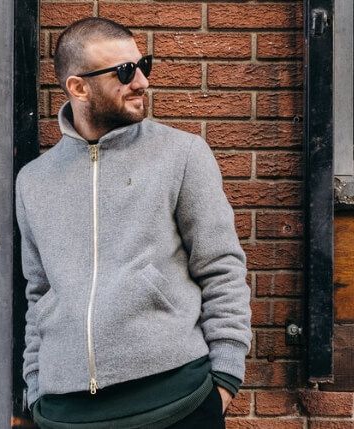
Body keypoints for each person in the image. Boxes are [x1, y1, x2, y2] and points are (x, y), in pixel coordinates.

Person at [15, 18, 252, 428]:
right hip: (66, 413)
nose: (141, 81)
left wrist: (225, 376)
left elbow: (221, 268)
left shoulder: (182, 155)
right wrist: (36, 388)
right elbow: (39, 293)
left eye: (144, 65)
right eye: (125, 72)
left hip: (176, 399)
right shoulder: (34, 181)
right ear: (78, 88)